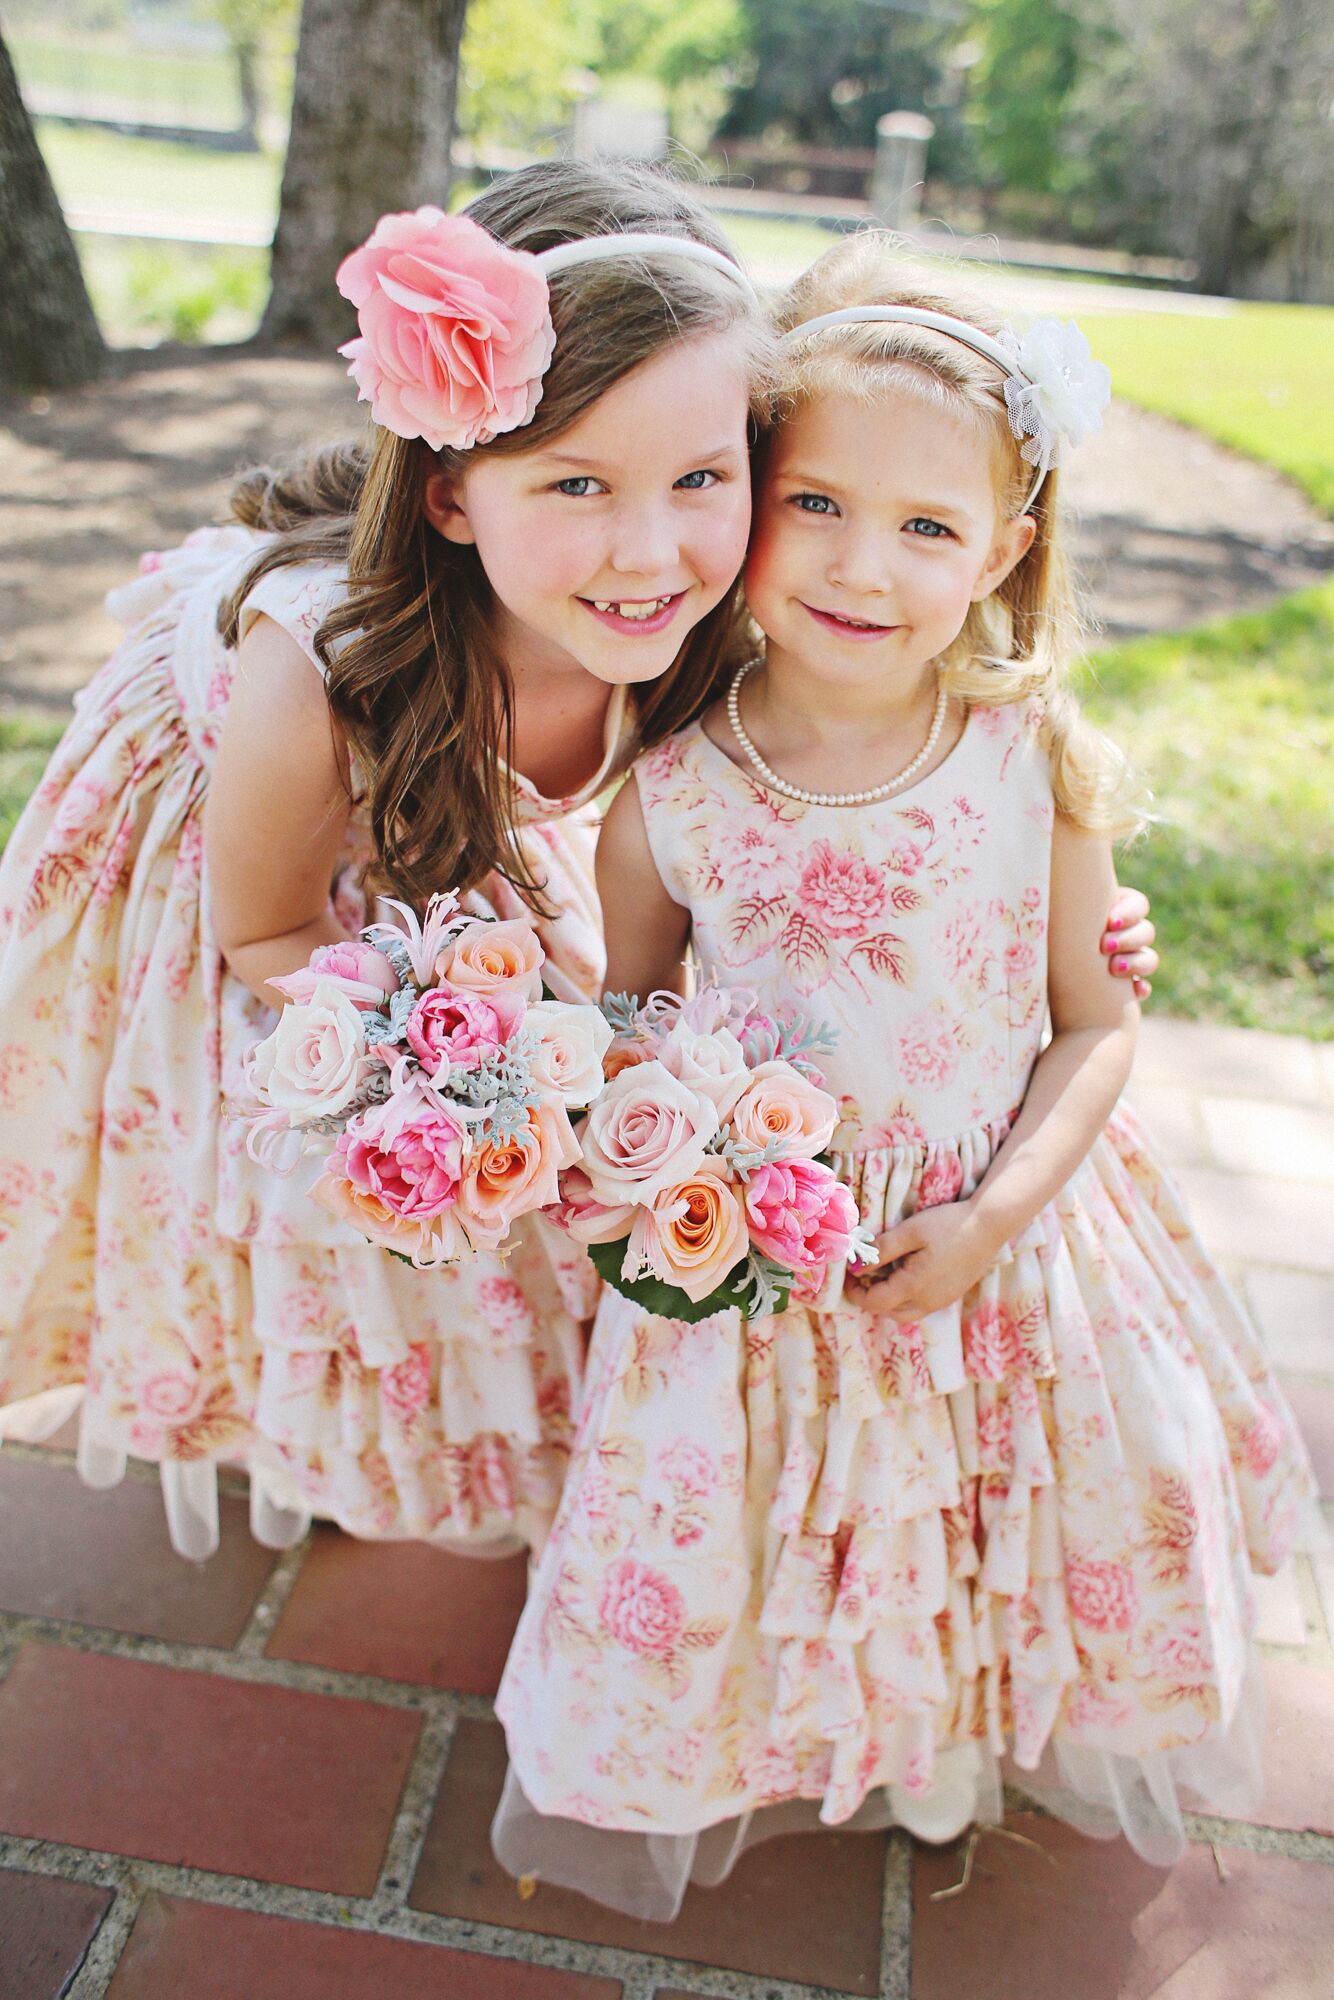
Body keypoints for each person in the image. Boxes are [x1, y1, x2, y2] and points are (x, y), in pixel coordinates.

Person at [492, 236, 1317, 1918]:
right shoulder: (676, 791)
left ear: (1005, 547)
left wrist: (1000, 1215)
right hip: (768, 1258)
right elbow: (637, 1012)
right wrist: (631, 1148)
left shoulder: (1033, 756)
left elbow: (1090, 1022)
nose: (864, 567)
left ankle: (950, 1730)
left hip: (997, 1228)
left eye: (928, 526)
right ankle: (811, 1731)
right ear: (750, 505)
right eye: (818, 507)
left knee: (983, 1496)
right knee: (782, 1519)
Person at [0, 161, 773, 1560]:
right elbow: (262, 938)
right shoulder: (323, 666)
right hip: (241, 864)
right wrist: (471, 1073)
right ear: (452, 491)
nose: (648, 547)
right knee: (291, 1177)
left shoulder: (704, 610)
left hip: (416, 828)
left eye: (699, 475)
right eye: (577, 480)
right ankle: (294, 1406)